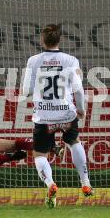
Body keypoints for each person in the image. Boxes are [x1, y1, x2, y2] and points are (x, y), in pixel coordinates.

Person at [20, 24, 93, 208]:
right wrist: (82, 109)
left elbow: (26, 90)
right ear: (59, 39)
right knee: (74, 142)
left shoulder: (33, 61)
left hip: (44, 116)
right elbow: (78, 89)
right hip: (66, 113)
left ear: (42, 40)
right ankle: (85, 184)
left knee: (39, 154)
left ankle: (50, 184)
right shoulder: (70, 60)